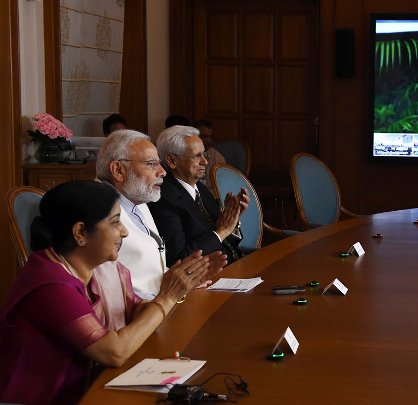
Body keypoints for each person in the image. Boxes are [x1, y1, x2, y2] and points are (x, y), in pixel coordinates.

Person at [0, 181, 213, 405]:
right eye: (115, 222)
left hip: (89, 386)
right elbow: (114, 352)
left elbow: (137, 312)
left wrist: (177, 287)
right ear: (80, 232)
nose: (124, 231)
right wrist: (166, 297)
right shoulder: (50, 284)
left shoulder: (103, 267)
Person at [95, 129, 227, 299]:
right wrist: (174, 288)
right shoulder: (99, 213)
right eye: (151, 164)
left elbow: (149, 266)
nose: (163, 172)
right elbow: (113, 285)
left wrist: (184, 279)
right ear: (118, 170)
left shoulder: (136, 197)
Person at [149, 125, 249, 267]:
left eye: (204, 154)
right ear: (172, 161)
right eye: (197, 156)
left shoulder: (201, 188)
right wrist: (221, 231)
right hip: (207, 278)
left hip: (232, 265)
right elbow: (180, 259)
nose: (205, 161)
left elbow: (225, 240)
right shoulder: (162, 198)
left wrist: (231, 219)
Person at [193, 118, 226, 187]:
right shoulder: (185, 155)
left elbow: (220, 187)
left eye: (210, 136)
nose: (209, 140)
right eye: (204, 136)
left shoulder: (217, 159)